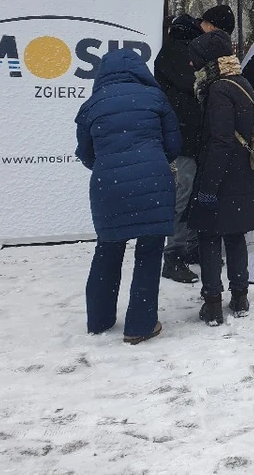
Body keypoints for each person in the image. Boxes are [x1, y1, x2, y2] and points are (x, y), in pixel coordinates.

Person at [75, 49, 181, 344]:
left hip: (108, 186)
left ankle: (99, 319)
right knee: (149, 253)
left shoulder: (91, 105)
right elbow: (174, 144)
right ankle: (140, 324)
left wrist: (110, 165)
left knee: (107, 251)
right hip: (153, 182)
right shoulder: (155, 99)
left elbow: (86, 154)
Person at [187, 29, 254, 325]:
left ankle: (212, 303)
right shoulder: (241, 83)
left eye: (195, 60)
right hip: (244, 174)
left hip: (223, 176)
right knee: (235, 235)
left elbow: (220, 141)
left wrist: (208, 187)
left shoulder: (219, 89)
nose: (191, 65)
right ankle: (240, 297)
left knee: (209, 238)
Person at [154, 13, 204, 283]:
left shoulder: (173, 53)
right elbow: (191, 83)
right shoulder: (175, 54)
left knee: (192, 192)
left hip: (188, 135)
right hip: (186, 137)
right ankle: (174, 253)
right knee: (186, 193)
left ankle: (190, 245)